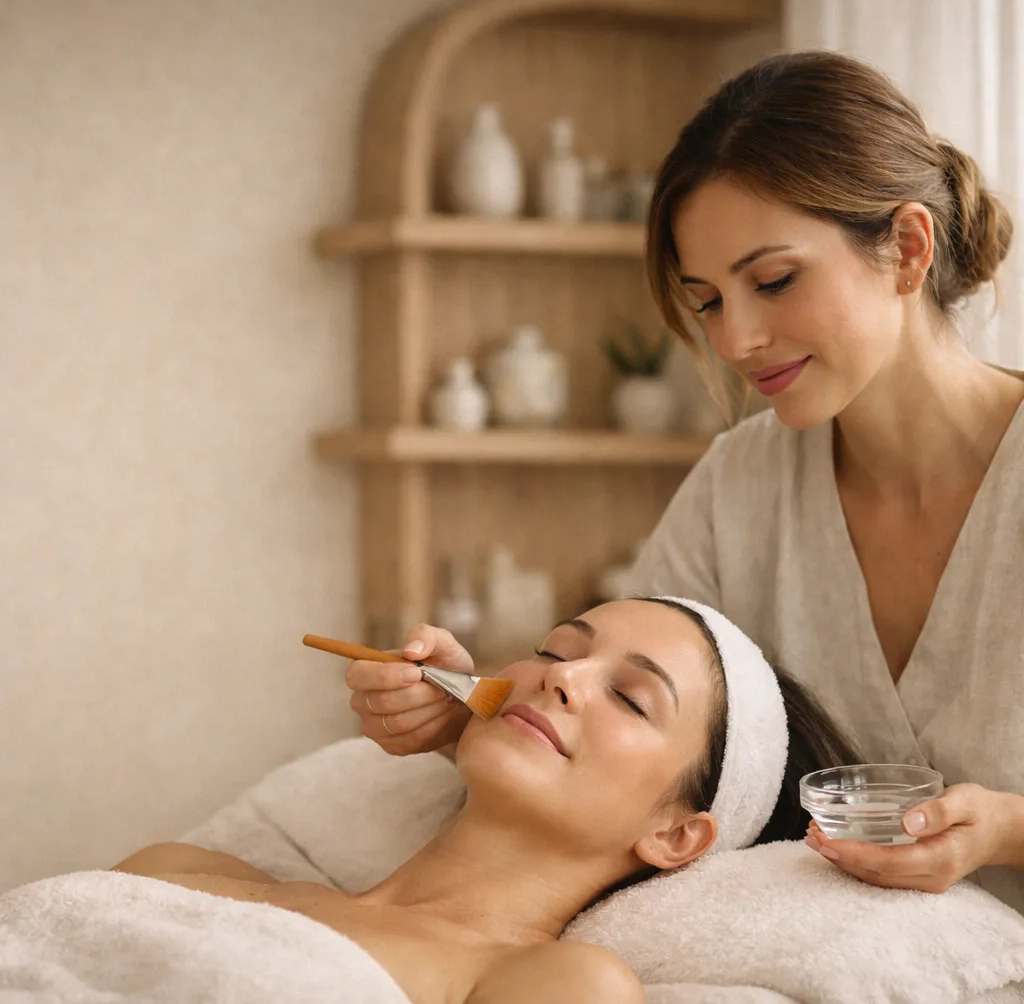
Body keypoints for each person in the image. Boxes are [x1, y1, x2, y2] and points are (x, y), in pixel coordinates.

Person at [348, 51, 1024, 913]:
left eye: (774, 281)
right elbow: (642, 766)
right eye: (706, 300)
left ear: (907, 247)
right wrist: (464, 714)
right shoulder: (738, 487)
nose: (735, 341)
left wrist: (1009, 831)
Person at [114, 597, 859, 1004]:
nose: (558, 679)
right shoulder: (178, 872)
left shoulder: (559, 987)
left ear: (677, 836)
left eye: (631, 700)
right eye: (558, 651)